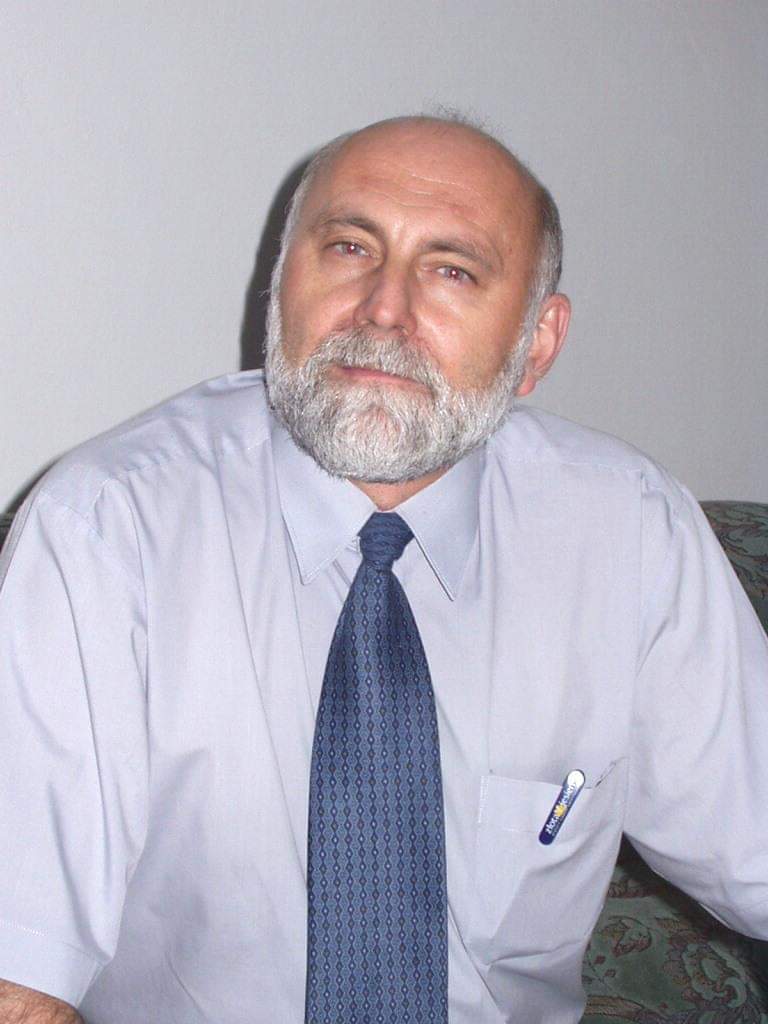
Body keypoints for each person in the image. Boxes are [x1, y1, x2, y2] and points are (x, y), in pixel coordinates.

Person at [0, 114, 766, 1024]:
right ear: (280, 288)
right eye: (350, 248)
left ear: (537, 342)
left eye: (453, 271)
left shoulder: (630, 533)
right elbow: (22, 974)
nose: (384, 310)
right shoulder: (107, 528)